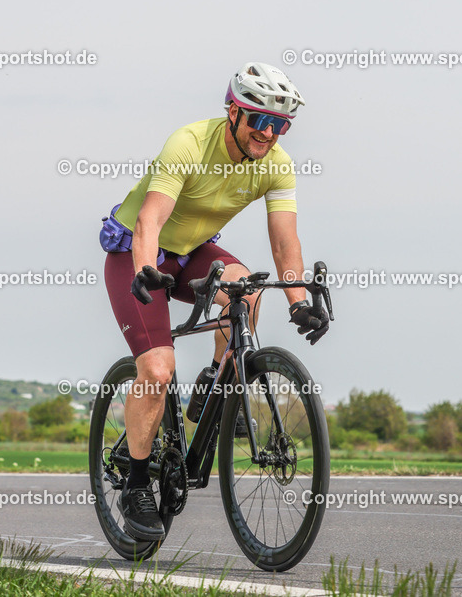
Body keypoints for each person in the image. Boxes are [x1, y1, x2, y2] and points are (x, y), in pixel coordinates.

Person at [99, 62, 329, 541]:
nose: (268, 134)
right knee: (158, 371)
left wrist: (298, 301)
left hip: (192, 253)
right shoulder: (189, 143)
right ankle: (137, 485)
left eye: (279, 125)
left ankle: (214, 382)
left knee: (244, 287)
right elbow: (149, 222)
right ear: (233, 113)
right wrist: (145, 268)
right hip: (137, 255)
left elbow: (285, 243)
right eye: (260, 121)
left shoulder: (277, 164)